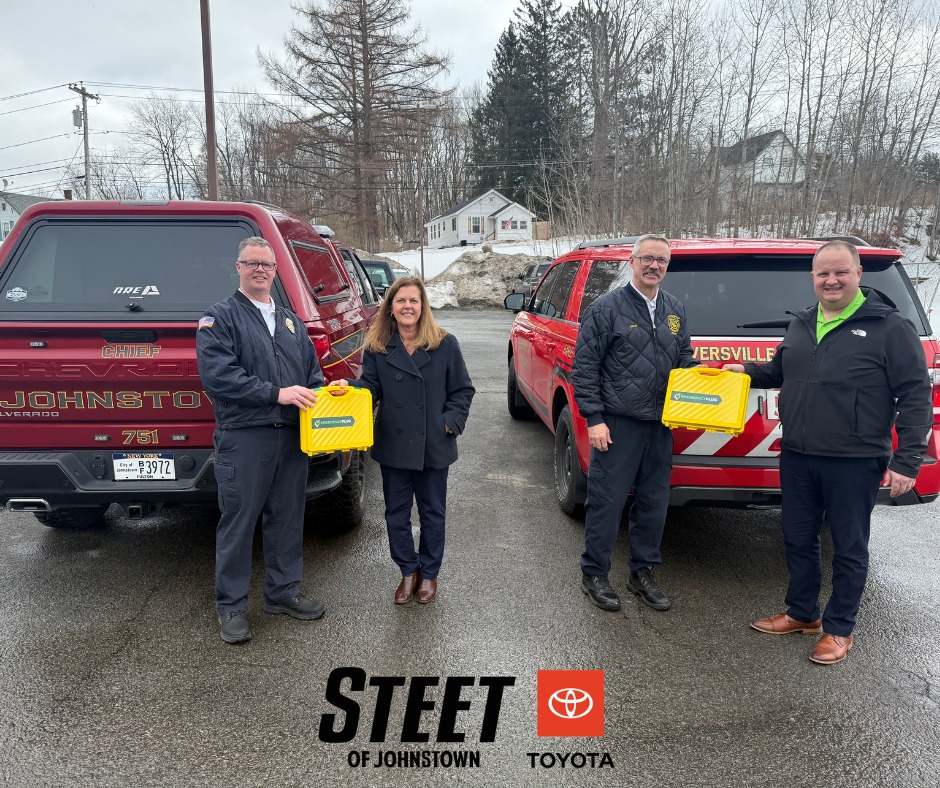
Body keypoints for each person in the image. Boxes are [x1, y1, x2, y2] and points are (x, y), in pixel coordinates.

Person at [724, 239, 932, 665]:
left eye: (840, 272)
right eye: (823, 273)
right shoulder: (802, 323)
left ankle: (839, 629)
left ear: (858, 274)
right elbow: (782, 370)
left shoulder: (891, 328)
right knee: (798, 538)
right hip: (798, 455)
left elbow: (915, 397)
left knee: (850, 547)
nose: (831, 280)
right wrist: (745, 371)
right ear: (813, 278)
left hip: (854, 461)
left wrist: (907, 460)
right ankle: (803, 613)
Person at [196, 236, 326, 645]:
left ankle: (282, 593)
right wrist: (276, 393)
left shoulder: (290, 322)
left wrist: (325, 398)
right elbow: (219, 378)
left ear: (274, 271)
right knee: (238, 522)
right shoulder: (219, 319)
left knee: (287, 520)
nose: (260, 270)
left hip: (290, 439)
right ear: (238, 268)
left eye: (266, 265)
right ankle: (231, 607)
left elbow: (312, 374)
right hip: (245, 438)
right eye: (251, 263)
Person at [572, 233, 697, 613]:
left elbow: (684, 357)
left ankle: (642, 572)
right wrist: (594, 418)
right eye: (647, 258)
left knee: (654, 504)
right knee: (606, 503)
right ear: (632, 261)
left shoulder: (674, 309)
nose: (653, 266)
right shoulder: (606, 308)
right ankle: (594, 573)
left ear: (667, 266)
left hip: (660, 426)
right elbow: (585, 367)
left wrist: (705, 383)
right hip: (617, 424)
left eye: (661, 260)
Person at [338, 276, 474, 605]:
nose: (407, 306)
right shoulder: (378, 347)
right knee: (396, 515)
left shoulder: (444, 343)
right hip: (395, 445)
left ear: (423, 306)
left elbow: (462, 391)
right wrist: (349, 389)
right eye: (401, 301)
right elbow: (371, 388)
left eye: (414, 301)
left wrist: (448, 424)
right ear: (391, 308)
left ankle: (429, 574)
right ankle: (408, 571)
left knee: (432, 513)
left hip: (433, 446)